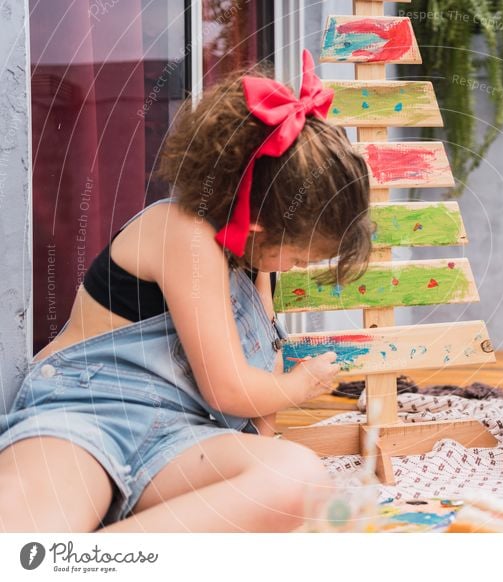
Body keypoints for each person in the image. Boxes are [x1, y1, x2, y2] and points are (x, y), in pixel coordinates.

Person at [0, 50, 372, 531]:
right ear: (259, 227)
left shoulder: (254, 264)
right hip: (85, 422)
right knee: (27, 538)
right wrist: (300, 385)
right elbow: (227, 387)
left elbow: (257, 394)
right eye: (300, 257)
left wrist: (265, 435)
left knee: (299, 478)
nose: (298, 268)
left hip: (178, 441)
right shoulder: (184, 234)